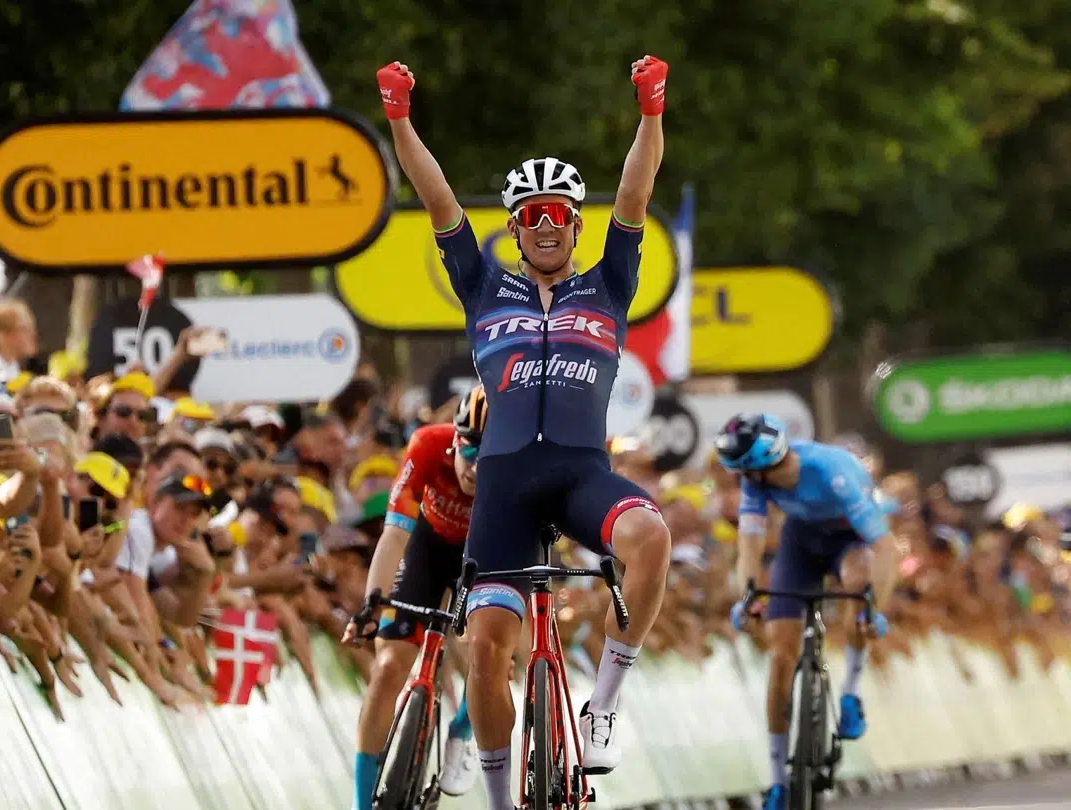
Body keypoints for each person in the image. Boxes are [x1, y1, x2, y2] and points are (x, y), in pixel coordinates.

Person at [374, 53, 673, 806]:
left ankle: (603, 702)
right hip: (503, 482)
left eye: (560, 215)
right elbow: (434, 194)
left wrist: (650, 112)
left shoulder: (608, 283)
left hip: (579, 473)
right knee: (485, 653)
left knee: (652, 538)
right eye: (531, 215)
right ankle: (503, 800)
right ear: (513, 228)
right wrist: (401, 121)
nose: (546, 225)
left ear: (577, 225)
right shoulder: (483, 285)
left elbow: (637, 188)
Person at [717, 413, 899, 810]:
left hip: (850, 541)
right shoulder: (756, 482)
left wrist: (875, 607)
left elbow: (886, 548)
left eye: (744, 471)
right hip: (800, 545)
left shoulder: (832, 473)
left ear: (763, 465)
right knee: (782, 656)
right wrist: (746, 597)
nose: (741, 481)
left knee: (858, 586)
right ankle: (779, 781)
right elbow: (749, 545)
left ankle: (850, 692)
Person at [342, 386, 486, 809]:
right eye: (469, 453)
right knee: (388, 668)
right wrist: (372, 604)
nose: (475, 470)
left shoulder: (514, 469)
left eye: (487, 460)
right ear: (453, 442)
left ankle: (464, 727)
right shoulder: (426, 445)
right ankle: (361, 803)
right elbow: (393, 535)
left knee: (490, 653)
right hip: (426, 545)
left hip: (483, 553)